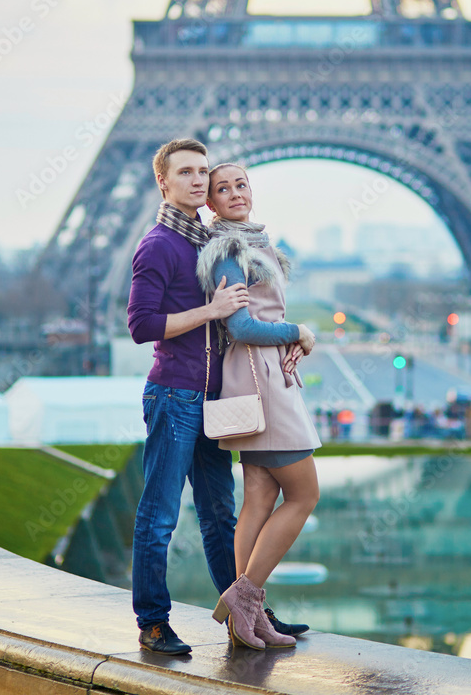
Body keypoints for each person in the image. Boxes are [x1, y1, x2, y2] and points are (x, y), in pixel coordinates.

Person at [127, 138, 305, 656]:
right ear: (164, 182)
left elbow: (246, 322)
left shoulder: (208, 241)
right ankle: (153, 621)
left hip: (212, 399)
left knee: (220, 517)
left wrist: (289, 337)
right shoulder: (159, 244)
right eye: (186, 172)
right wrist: (213, 310)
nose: (199, 180)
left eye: (204, 171)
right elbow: (141, 325)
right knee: (159, 516)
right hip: (174, 396)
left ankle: (245, 612)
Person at [196, 162, 321, 650]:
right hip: (262, 381)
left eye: (240, 184)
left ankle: (245, 619)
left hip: (260, 375)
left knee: (259, 500)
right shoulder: (228, 249)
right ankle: (244, 597)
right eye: (221, 188)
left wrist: (291, 338)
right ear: (210, 202)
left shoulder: (248, 244)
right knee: (305, 495)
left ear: (252, 189)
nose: (233, 193)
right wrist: (298, 333)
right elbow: (243, 326)